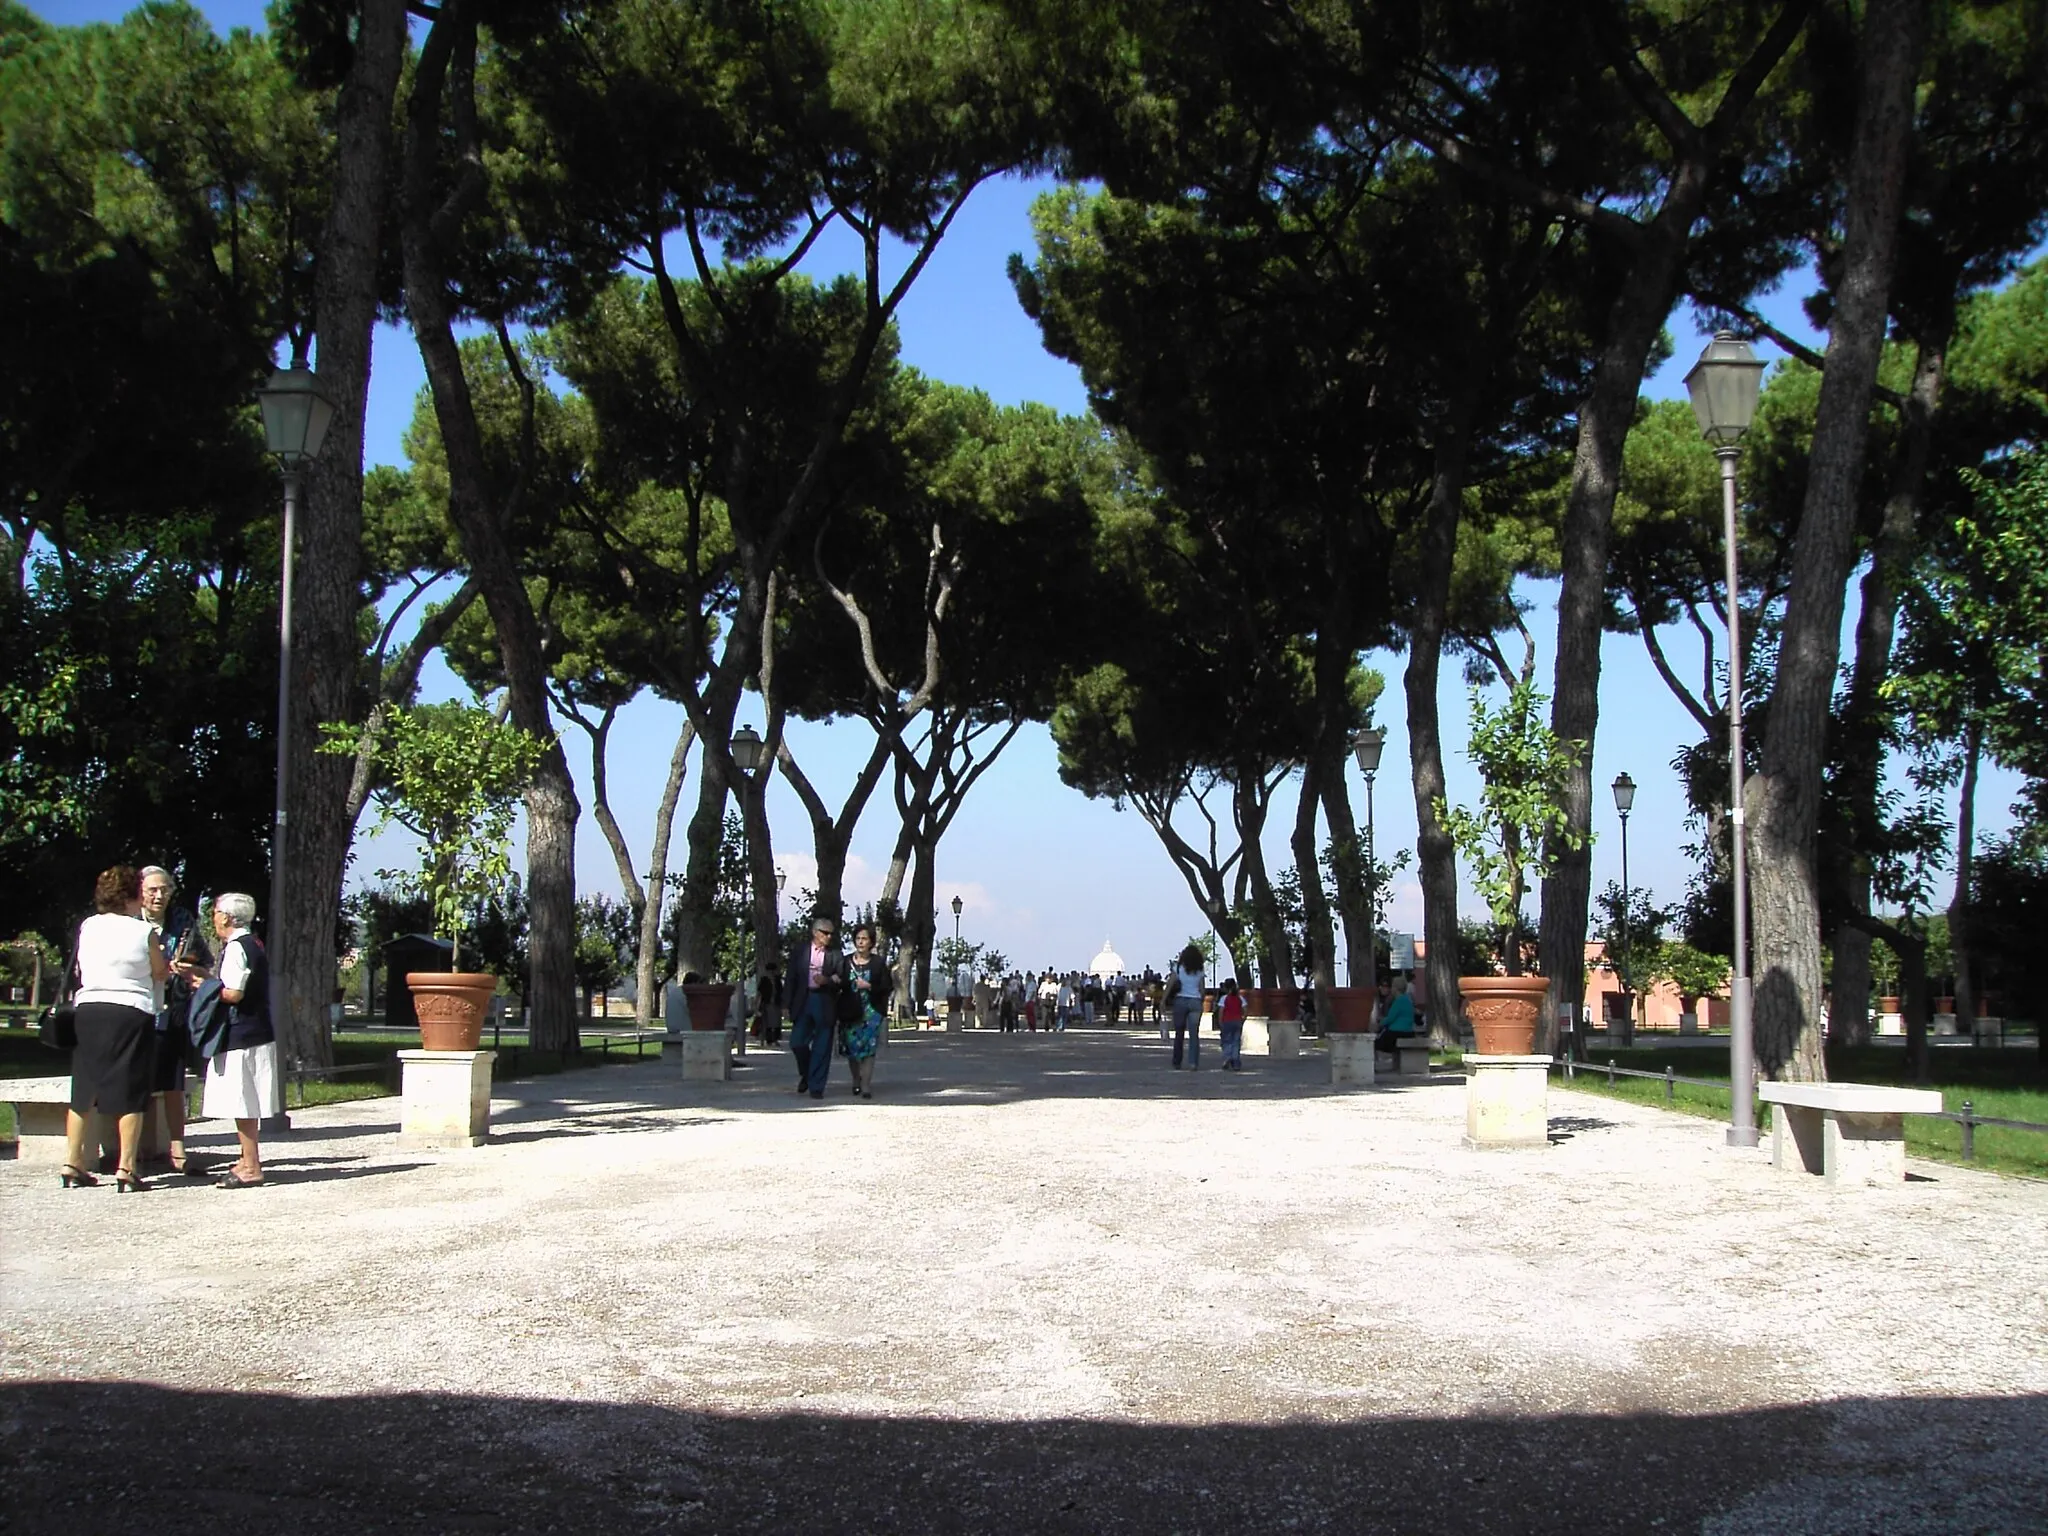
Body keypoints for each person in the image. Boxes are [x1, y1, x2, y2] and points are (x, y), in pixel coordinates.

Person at [61, 866, 168, 1191]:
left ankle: (72, 1161)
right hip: (130, 1010)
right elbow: (158, 971)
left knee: (84, 1088)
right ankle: (126, 1166)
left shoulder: (89, 926)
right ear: (133, 895)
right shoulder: (142, 932)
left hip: (90, 1007)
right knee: (131, 1089)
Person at [201, 892, 278, 1188]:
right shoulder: (255, 943)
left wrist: (203, 986)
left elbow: (234, 993)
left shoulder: (236, 948)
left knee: (243, 1100)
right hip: (258, 1030)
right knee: (248, 1099)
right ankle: (248, 1158)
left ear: (227, 917)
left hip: (241, 1032)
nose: (215, 918)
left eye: (217, 912)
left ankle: (251, 1164)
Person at [140, 865, 212, 1176]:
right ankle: (135, 1151)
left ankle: (177, 1147)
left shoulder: (182, 920)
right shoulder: (129, 921)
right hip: (138, 1006)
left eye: (165, 889)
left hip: (172, 1007)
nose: (159, 896)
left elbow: (203, 959)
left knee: (172, 1080)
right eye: (153, 890)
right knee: (139, 1079)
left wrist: (188, 967)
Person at [785, 913, 848, 1100]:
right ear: (814, 932)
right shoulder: (800, 951)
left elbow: (842, 979)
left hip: (824, 1001)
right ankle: (807, 1073)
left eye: (831, 934)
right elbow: (791, 978)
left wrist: (827, 980)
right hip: (803, 1000)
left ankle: (816, 1086)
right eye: (824, 933)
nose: (828, 937)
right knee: (797, 1042)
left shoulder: (835, 955)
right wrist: (785, 1003)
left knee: (822, 1045)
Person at [842, 923, 892, 1098]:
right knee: (852, 1049)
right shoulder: (846, 962)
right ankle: (856, 1078)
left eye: (864, 939)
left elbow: (887, 986)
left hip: (872, 1011)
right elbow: (840, 984)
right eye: (858, 938)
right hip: (850, 1010)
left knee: (869, 1049)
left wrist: (869, 986)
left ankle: (866, 1086)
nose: (861, 942)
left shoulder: (878, 963)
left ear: (871, 942)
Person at [1168, 944, 1206, 1070]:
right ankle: (1193, 1062)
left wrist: (1163, 1000)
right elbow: (1202, 989)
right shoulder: (1200, 970)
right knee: (1194, 1034)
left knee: (1179, 1033)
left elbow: (1170, 984)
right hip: (1195, 1001)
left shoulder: (1178, 968)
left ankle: (1177, 1061)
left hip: (1180, 1000)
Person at [1375, 973, 1418, 1069]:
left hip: (1396, 1033)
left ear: (1396, 988)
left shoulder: (1399, 1001)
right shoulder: (1408, 1000)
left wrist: (1379, 1023)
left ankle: (1372, 1066)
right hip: (1408, 1032)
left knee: (1373, 1044)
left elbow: (1390, 1018)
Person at [1215, 977, 1247, 1071]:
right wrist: (1243, 1019)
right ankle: (1236, 1060)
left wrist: (1220, 1021)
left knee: (1226, 1041)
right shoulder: (1240, 998)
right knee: (1236, 1042)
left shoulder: (1224, 998)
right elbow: (1245, 1009)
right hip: (1237, 1022)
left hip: (1227, 1022)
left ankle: (1227, 1057)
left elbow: (1221, 1011)